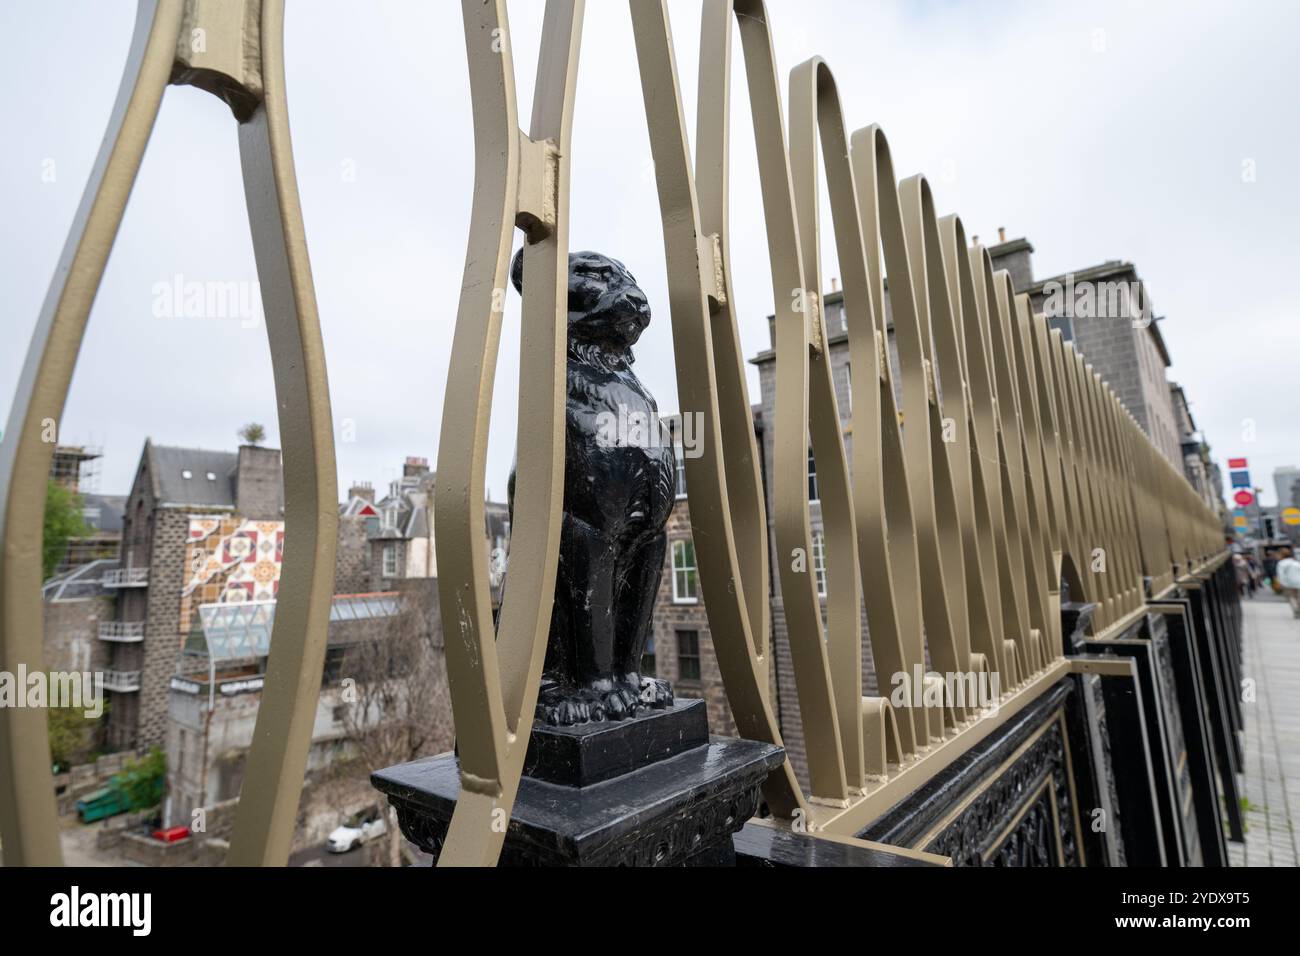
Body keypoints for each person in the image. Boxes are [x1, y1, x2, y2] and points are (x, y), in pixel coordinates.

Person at [1276, 547, 1300, 618]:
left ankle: (1296, 610)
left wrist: (1281, 583)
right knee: (1298, 597)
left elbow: (1281, 575)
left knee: (1291, 597)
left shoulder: (1281, 563)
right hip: (1299, 582)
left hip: (1288, 583)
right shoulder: (1295, 562)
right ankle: (1299, 608)